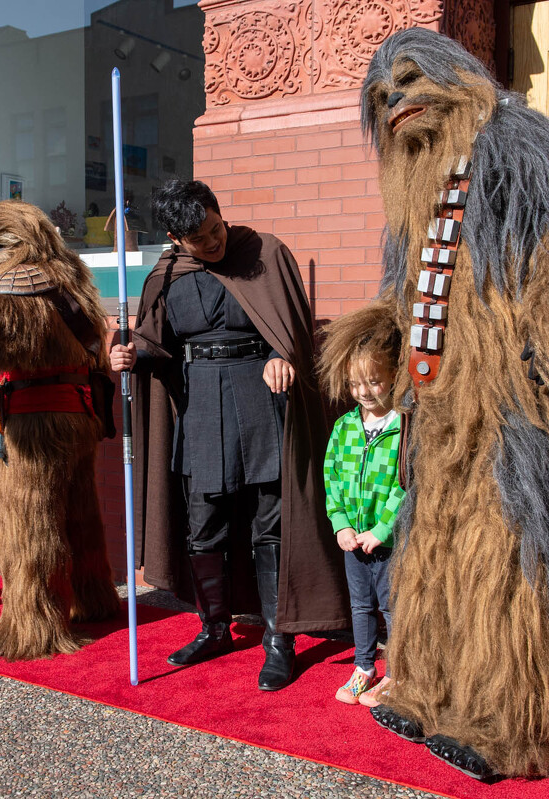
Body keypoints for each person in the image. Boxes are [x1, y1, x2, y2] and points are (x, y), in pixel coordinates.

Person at [110, 179, 348, 691]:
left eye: (216, 229)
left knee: (271, 526)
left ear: (221, 214)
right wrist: (128, 354)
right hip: (199, 407)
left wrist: (280, 357)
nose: (214, 243)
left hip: (262, 401)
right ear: (176, 238)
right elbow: (156, 342)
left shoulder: (265, 253)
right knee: (204, 527)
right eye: (200, 239)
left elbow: (293, 332)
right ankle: (214, 627)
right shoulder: (169, 273)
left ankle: (278, 641)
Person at [317, 307, 404, 706]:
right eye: (356, 383)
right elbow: (331, 477)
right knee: (361, 606)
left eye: (375, 381)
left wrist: (382, 530)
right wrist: (341, 525)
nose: (365, 392)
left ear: (393, 378)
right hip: (353, 541)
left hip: (388, 542)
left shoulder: (403, 427)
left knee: (393, 607)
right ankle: (364, 667)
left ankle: (398, 674)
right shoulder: (344, 427)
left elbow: (405, 486)